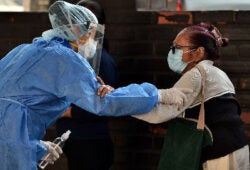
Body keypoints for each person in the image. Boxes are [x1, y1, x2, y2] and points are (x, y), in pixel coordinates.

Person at [0, 1, 190, 170]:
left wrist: (35, 146)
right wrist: (155, 95)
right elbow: (102, 103)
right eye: (92, 32)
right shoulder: (66, 58)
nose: (92, 38)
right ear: (77, 30)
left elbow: (12, 109)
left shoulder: (24, 49)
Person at [132, 23, 249, 169]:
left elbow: (164, 108)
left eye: (178, 48)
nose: (172, 52)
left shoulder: (198, 74)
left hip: (221, 155)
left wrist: (119, 101)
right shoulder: (216, 72)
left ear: (198, 52)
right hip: (235, 148)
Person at [56, 0, 118, 169]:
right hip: (77, 141)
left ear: (99, 27)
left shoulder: (103, 61)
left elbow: (105, 106)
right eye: (74, 22)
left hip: (90, 143)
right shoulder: (77, 57)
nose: (75, 29)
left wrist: (66, 112)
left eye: (83, 23)